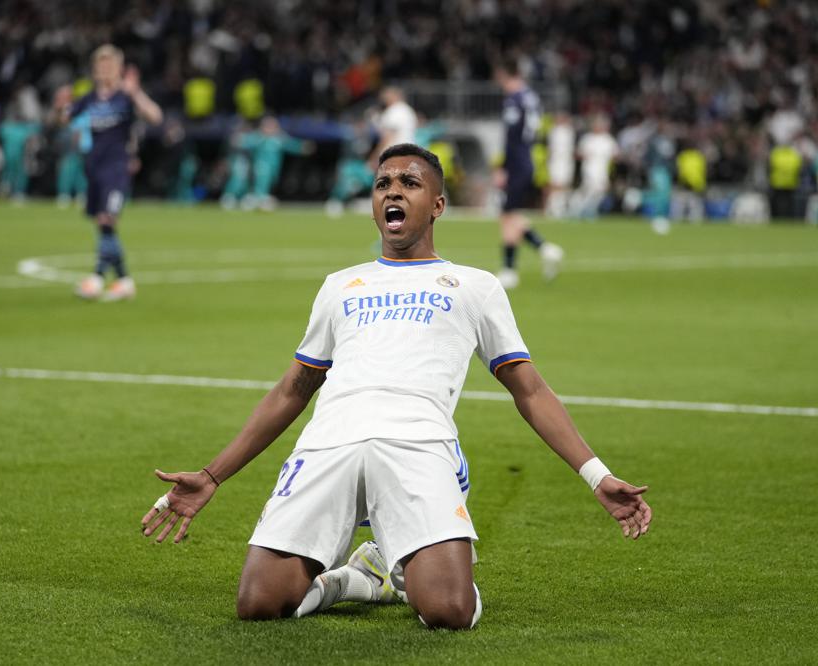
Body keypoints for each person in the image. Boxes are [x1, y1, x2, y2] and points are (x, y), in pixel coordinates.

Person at [141, 143, 652, 630]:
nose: (393, 191)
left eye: (410, 182)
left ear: (437, 205)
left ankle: (407, 564)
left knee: (448, 612)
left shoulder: (474, 286)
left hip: (419, 443)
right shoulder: (341, 284)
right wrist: (212, 476)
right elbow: (292, 391)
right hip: (329, 443)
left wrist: (596, 475)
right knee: (257, 604)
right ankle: (357, 581)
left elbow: (531, 392)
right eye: (383, 183)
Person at [53, 44, 163, 301]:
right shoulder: (89, 99)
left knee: (107, 220)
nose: (104, 70)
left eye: (110, 65)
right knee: (103, 225)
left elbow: (155, 116)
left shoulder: (125, 97)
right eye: (100, 65)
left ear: (119, 69)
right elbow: (65, 119)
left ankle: (97, 277)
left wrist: (136, 93)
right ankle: (124, 280)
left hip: (117, 167)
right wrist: (60, 107)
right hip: (93, 167)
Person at [492, 58, 562, 289]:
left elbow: (512, 137)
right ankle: (543, 249)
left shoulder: (514, 100)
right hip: (528, 158)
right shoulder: (531, 97)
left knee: (507, 215)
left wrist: (503, 167)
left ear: (505, 75)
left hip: (517, 161)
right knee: (510, 213)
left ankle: (510, 269)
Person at [572, 114, 619, 219]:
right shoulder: (587, 138)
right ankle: (576, 210)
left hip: (602, 169)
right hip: (589, 169)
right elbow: (578, 154)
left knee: (600, 191)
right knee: (589, 189)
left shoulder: (608, 139)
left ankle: (590, 210)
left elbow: (616, 154)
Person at [370, 86, 417, 164]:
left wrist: (375, 157)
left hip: (394, 154)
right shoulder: (408, 110)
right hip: (409, 152)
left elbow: (387, 137)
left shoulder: (394, 110)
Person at [545, 111, 575, 219]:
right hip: (556, 161)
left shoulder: (569, 131)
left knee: (565, 184)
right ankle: (552, 207)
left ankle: (561, 207)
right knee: (555, 184)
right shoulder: (553, 131)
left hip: (566, 162)